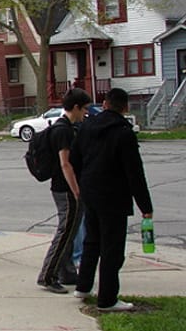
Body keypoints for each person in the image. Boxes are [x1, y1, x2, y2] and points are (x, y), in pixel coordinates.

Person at [72, 88, 153, 311]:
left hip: (90, 192)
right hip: (114, 197)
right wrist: (145, 206)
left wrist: (83, 183)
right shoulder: (124, 133)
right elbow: (135, 173)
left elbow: (75, 158)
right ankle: (107, 299)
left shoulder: (87, 127)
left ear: (105, 104)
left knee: (91, 242)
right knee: (112, 249)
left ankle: (83, 286)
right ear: (125, 107)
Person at [37, 88, 91, 294]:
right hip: (65, 189)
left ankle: (66, 271)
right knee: (64, 232)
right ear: (75, 107)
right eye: (84, 109)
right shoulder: (63, 130)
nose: (86, 113)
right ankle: (48, 276)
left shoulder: (65, 127)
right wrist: (76, 191)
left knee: (69, 232)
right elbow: (65, 164)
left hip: (64, 188)